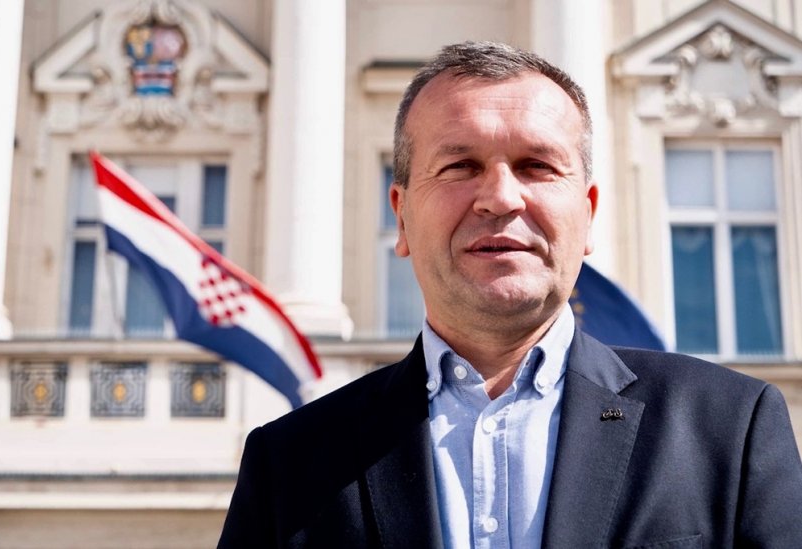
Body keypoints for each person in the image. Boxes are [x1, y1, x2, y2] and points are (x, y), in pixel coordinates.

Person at [217, 41, 802, 548]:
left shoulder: (730, 431)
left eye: (537, 165)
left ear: (588, 214)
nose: (501, 197)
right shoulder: (289, 464)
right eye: (460, 166)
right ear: (401, 215)